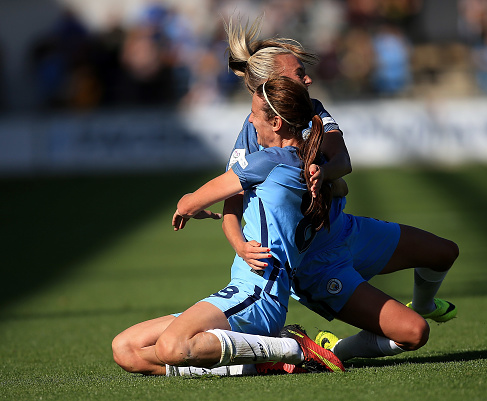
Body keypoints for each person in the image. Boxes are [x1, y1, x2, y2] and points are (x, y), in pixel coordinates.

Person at [219, 16, 460, 364]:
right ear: (273, 83)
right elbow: (232, 202)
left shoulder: (313, 110)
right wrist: (239, 245)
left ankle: (424, 302)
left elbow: (342, 160)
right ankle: (330, 352)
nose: (308, 78)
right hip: (315, 264)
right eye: (299, 72)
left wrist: (325, 172)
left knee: (444, 252)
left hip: (343, 231)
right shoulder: (253, 133)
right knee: (414, 333)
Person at [111, 77, 346, 377]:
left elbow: (188, 204)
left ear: (275, 123)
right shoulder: (308, 164)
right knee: (127, 350)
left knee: (172, 347)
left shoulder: (271, 159)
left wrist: (189, 203)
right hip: (245, 291)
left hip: (259, 294)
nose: (249, 121)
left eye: (254, 114)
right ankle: (258, 362)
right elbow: (341, 188)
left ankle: (292, 348)